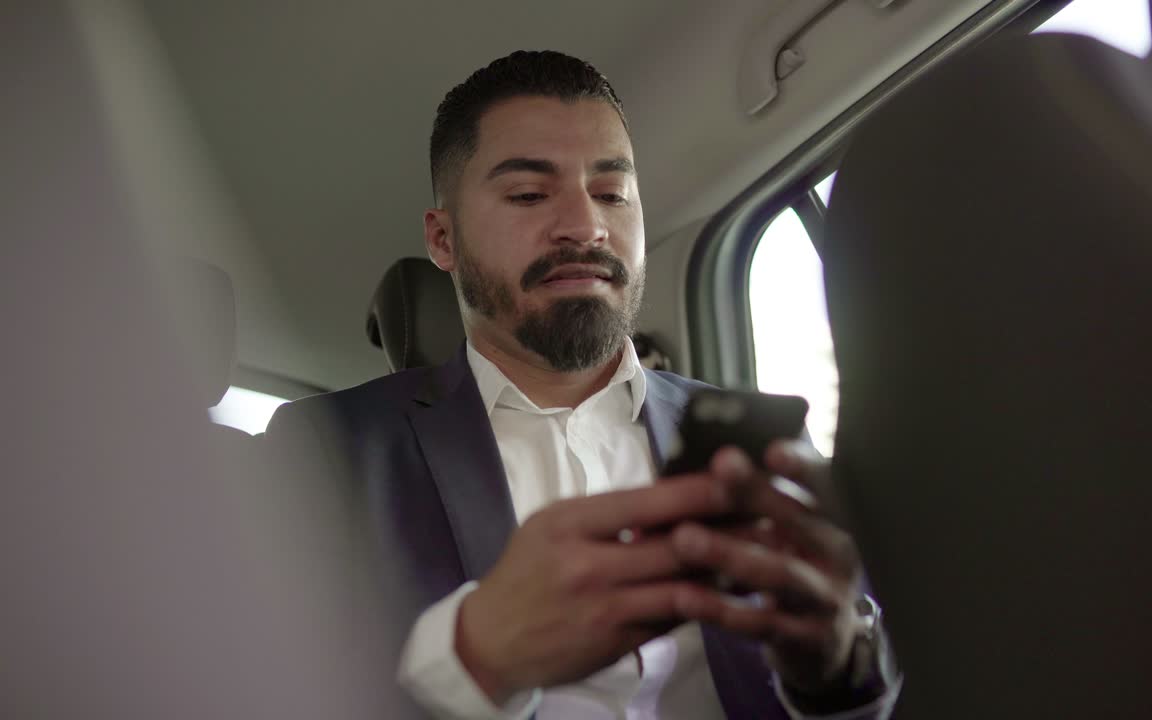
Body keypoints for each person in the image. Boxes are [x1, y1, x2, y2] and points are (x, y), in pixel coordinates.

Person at [263, 50, 897, 719]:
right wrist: (472, 659)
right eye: (530, 195)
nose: (586, 227)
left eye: (612, 194)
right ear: (443, 239)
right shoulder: (319, 456)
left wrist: (833, 671)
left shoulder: (759, 448)